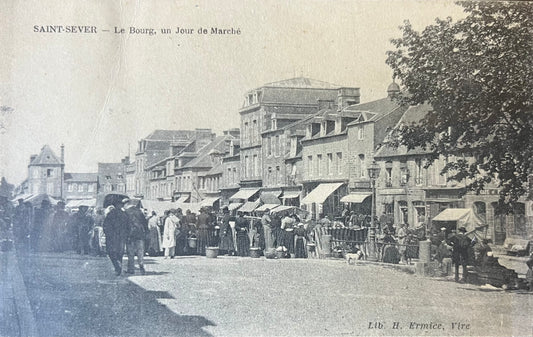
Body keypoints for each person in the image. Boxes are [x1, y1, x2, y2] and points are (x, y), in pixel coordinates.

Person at [103, 199, 130, 276]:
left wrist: (107, 234)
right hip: (121, 236)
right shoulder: (124, 214)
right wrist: (127, 235)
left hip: (112, 237)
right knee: (119, 253)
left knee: (111, 252)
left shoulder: (110, 214)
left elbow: (105, 225)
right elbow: (128, 226)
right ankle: (118, 267)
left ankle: (117, 267)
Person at [124, 199, 149, 275]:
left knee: (130, 253)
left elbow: (124, 225)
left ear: (126, 204)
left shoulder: (126, 212)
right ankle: (141, 267)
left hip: (130, 235)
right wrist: (146, 232)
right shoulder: (139, 212)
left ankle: (131, 269)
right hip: (140, 235)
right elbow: (145, 223)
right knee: (140, 252)